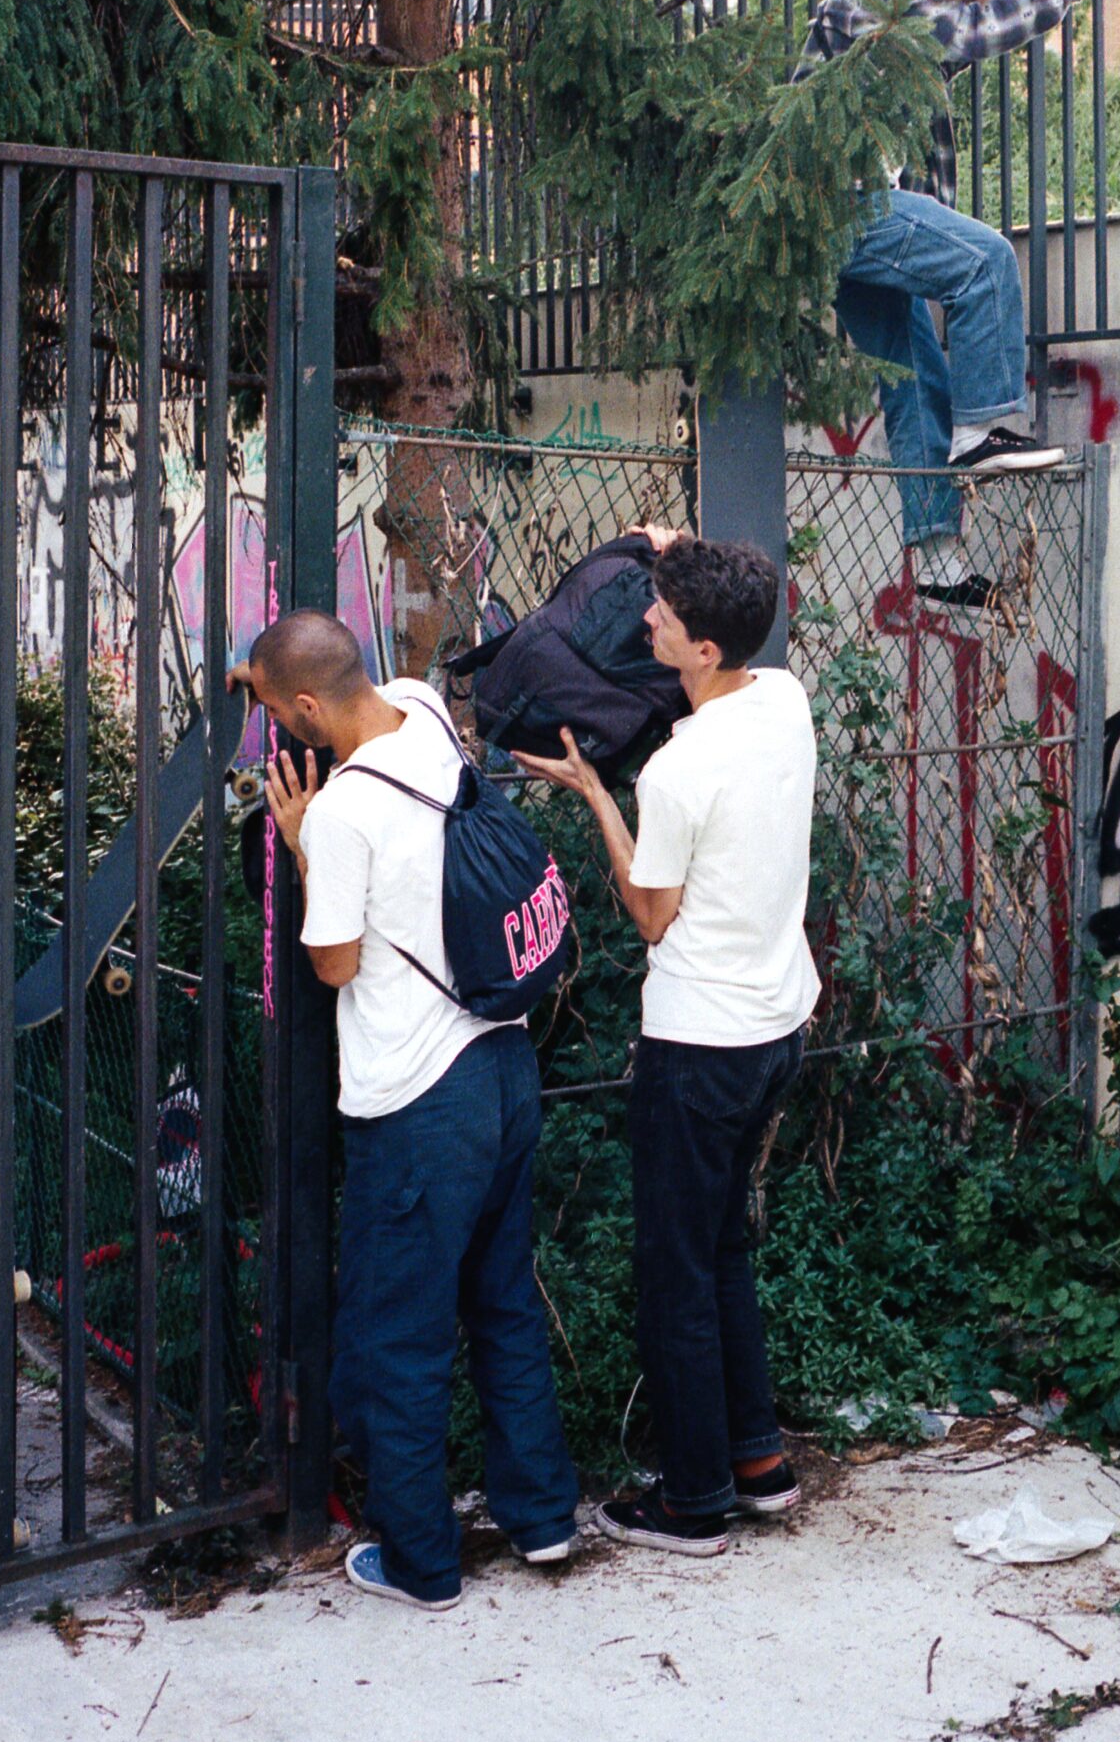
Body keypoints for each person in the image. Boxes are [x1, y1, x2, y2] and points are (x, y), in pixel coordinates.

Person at [231, 612, 578, 1613]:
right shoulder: (422, 708)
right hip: (504, 1063)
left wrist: (300, 844)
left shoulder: (340, 814)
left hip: (419, 1102)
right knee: (502, 1302)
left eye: (271, 707)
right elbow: (322, 670)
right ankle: (542, 1517)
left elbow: (332, 962)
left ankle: (419, 1561)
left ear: (302, 710)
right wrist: (255, 667)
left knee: (400, 1336)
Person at [515, 535, 817, 1557]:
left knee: (675, 1270)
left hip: (700, 1048)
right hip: (777, 1028)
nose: (645, 619)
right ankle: (755, 1457)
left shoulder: (680, 770)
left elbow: (651, 914)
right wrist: (666, 546)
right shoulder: (783, 701)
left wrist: (594, 795)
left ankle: (693, 1499)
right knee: (721, 1242)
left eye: (661, 614)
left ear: (700, 649)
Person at [798, 0, 1113, 606]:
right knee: (984, 259)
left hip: (857, 221)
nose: (975, 10)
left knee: (913, 383)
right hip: (838, 202)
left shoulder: (916, 33)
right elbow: (966, 33)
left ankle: (938, 566)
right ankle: (981, 431)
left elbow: (964, 41)